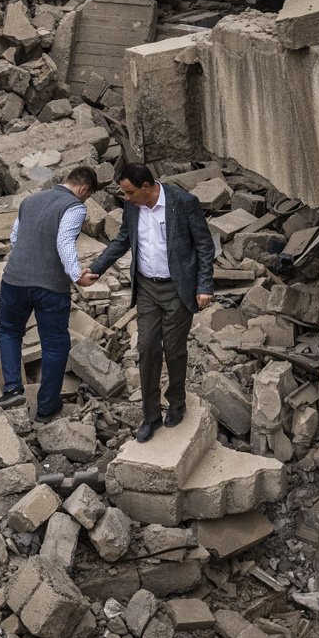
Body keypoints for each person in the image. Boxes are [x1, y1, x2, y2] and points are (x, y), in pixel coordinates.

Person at [81, 161, 215, 441]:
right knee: (147, 348)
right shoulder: (132, 207)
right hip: (146, 289)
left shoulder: (183, 202)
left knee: (174, 349)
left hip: (178, 289)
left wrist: (204, 285)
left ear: (146, 186)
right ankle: (151, 416)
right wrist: (96, 268)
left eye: (129, 193)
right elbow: (122, 241)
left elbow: (204, 244)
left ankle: (177, 403)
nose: (126, 199)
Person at [0, 164, 97, 420]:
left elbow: (15, 238)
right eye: (87, 195)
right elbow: (64, 240)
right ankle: (47, 406)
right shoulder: (74, 207)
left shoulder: (30, 201)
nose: (85, 200)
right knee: (54, 343)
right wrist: (76, 274)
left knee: (9, 331)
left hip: (14, 280)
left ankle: (12, 390)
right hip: (50, 286)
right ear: (83, 189)